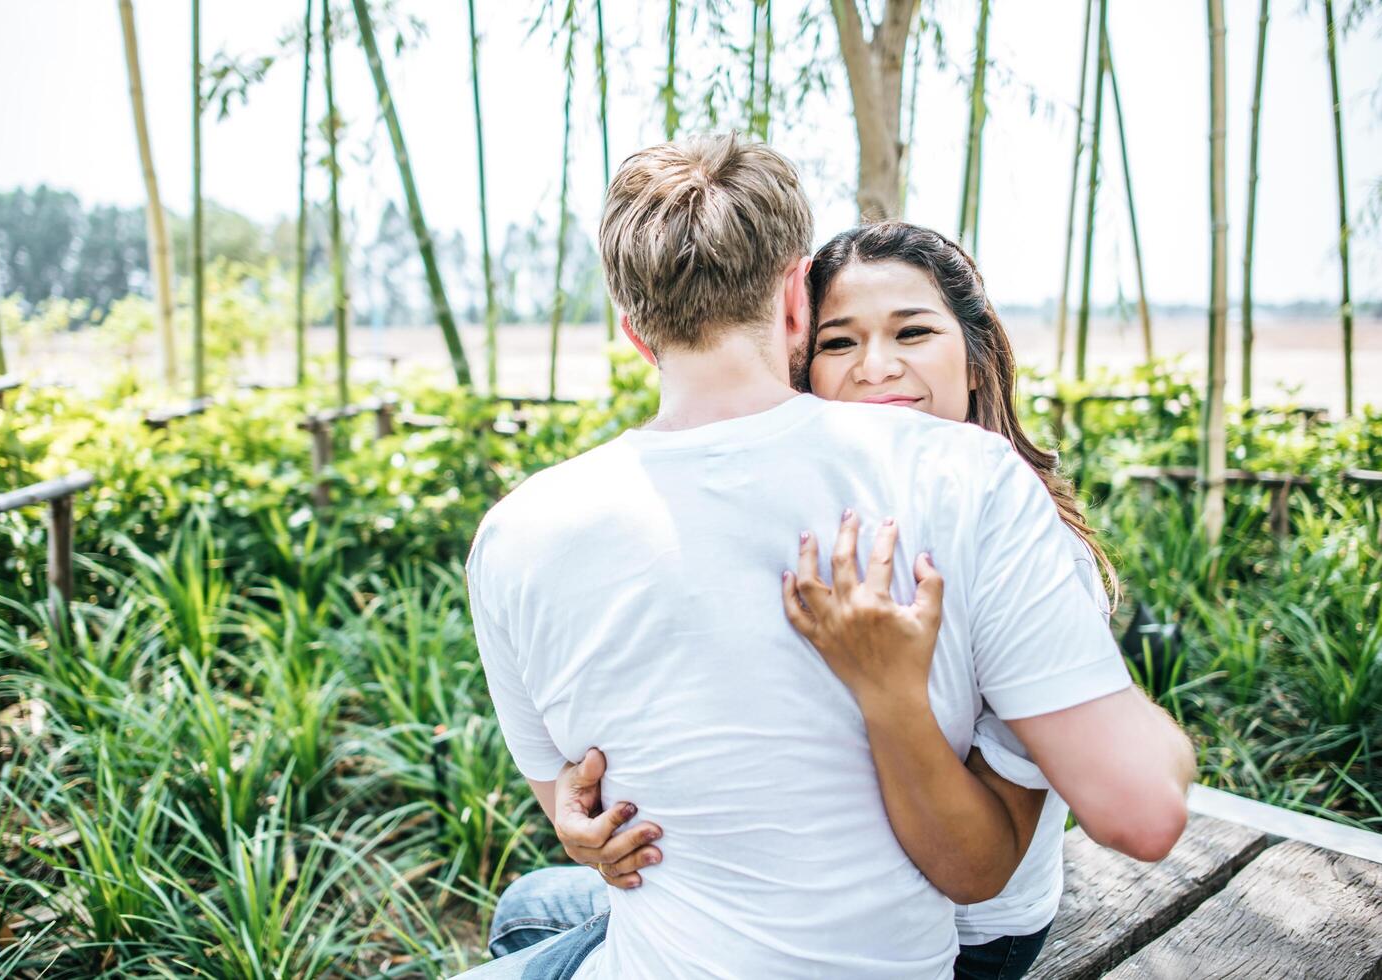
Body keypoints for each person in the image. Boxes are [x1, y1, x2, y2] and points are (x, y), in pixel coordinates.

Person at [461, 135, 1194, 979]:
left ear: (633, 331)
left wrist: (897, 697)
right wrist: (574, 823)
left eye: (913, 332)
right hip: (830, 930)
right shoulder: (964, 484)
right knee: (531, 907)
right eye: (843, 342)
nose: (877, 370)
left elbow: (994, 867)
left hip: (970, 925)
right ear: (794, 308)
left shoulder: (516, 531)